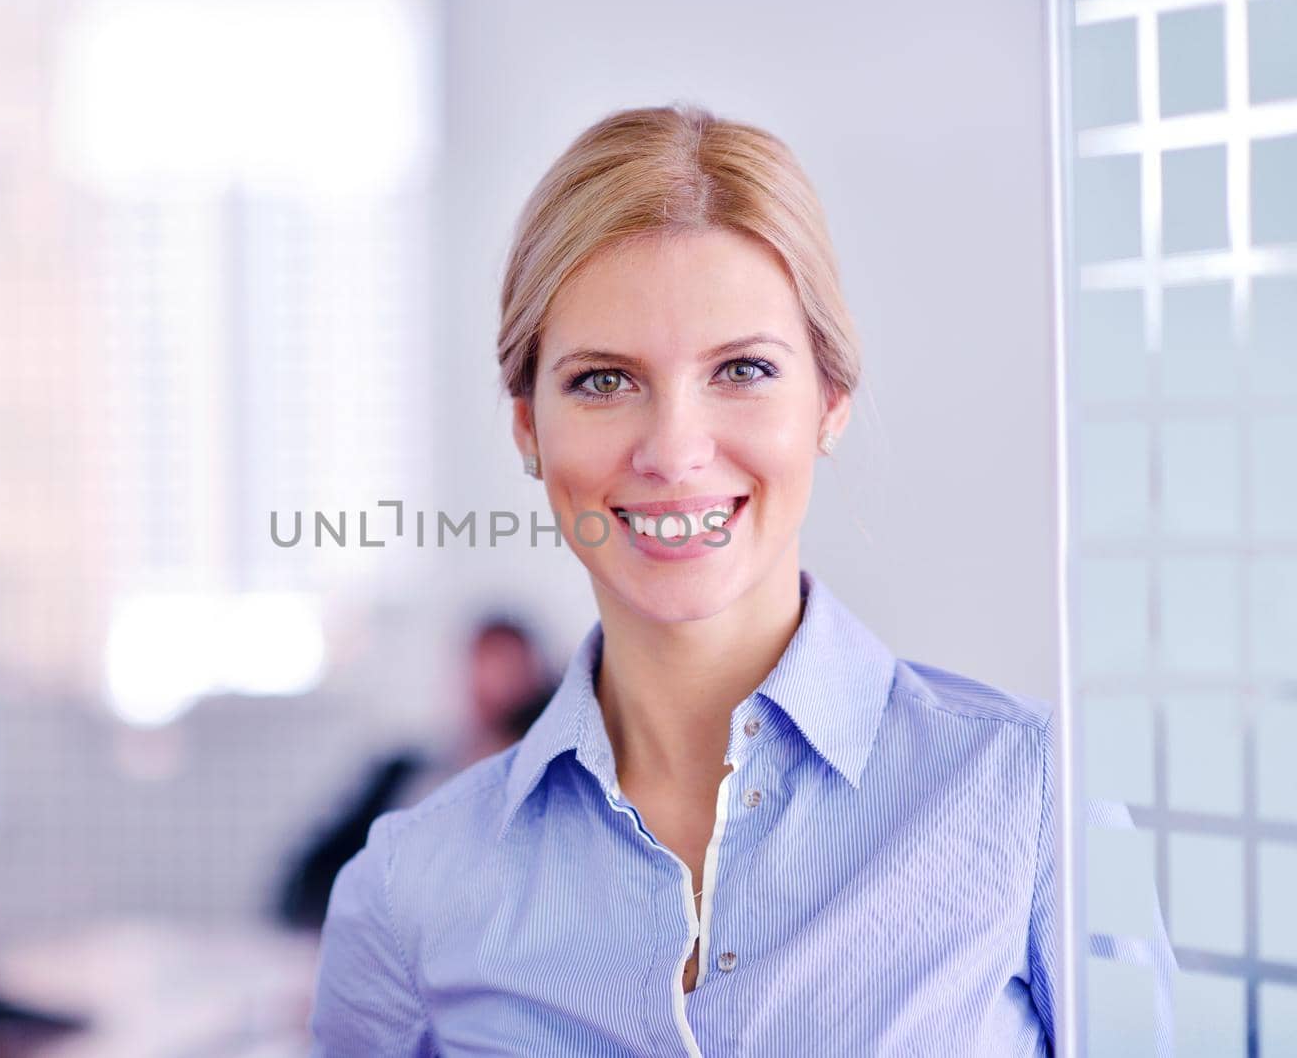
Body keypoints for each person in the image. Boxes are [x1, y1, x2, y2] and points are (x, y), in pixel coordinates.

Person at [309, 103, 1154, 1055]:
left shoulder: (1034, 800)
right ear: (526, 430)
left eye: (743, 369)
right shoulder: (406, 894)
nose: (674, 451)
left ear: (830, 403)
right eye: (602, 380)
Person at [276, 614, 555, 930]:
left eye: (507, 675)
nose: (492, 689)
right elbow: (307, 882)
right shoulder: (405, 773)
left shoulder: (548, 788)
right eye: (482, 671)